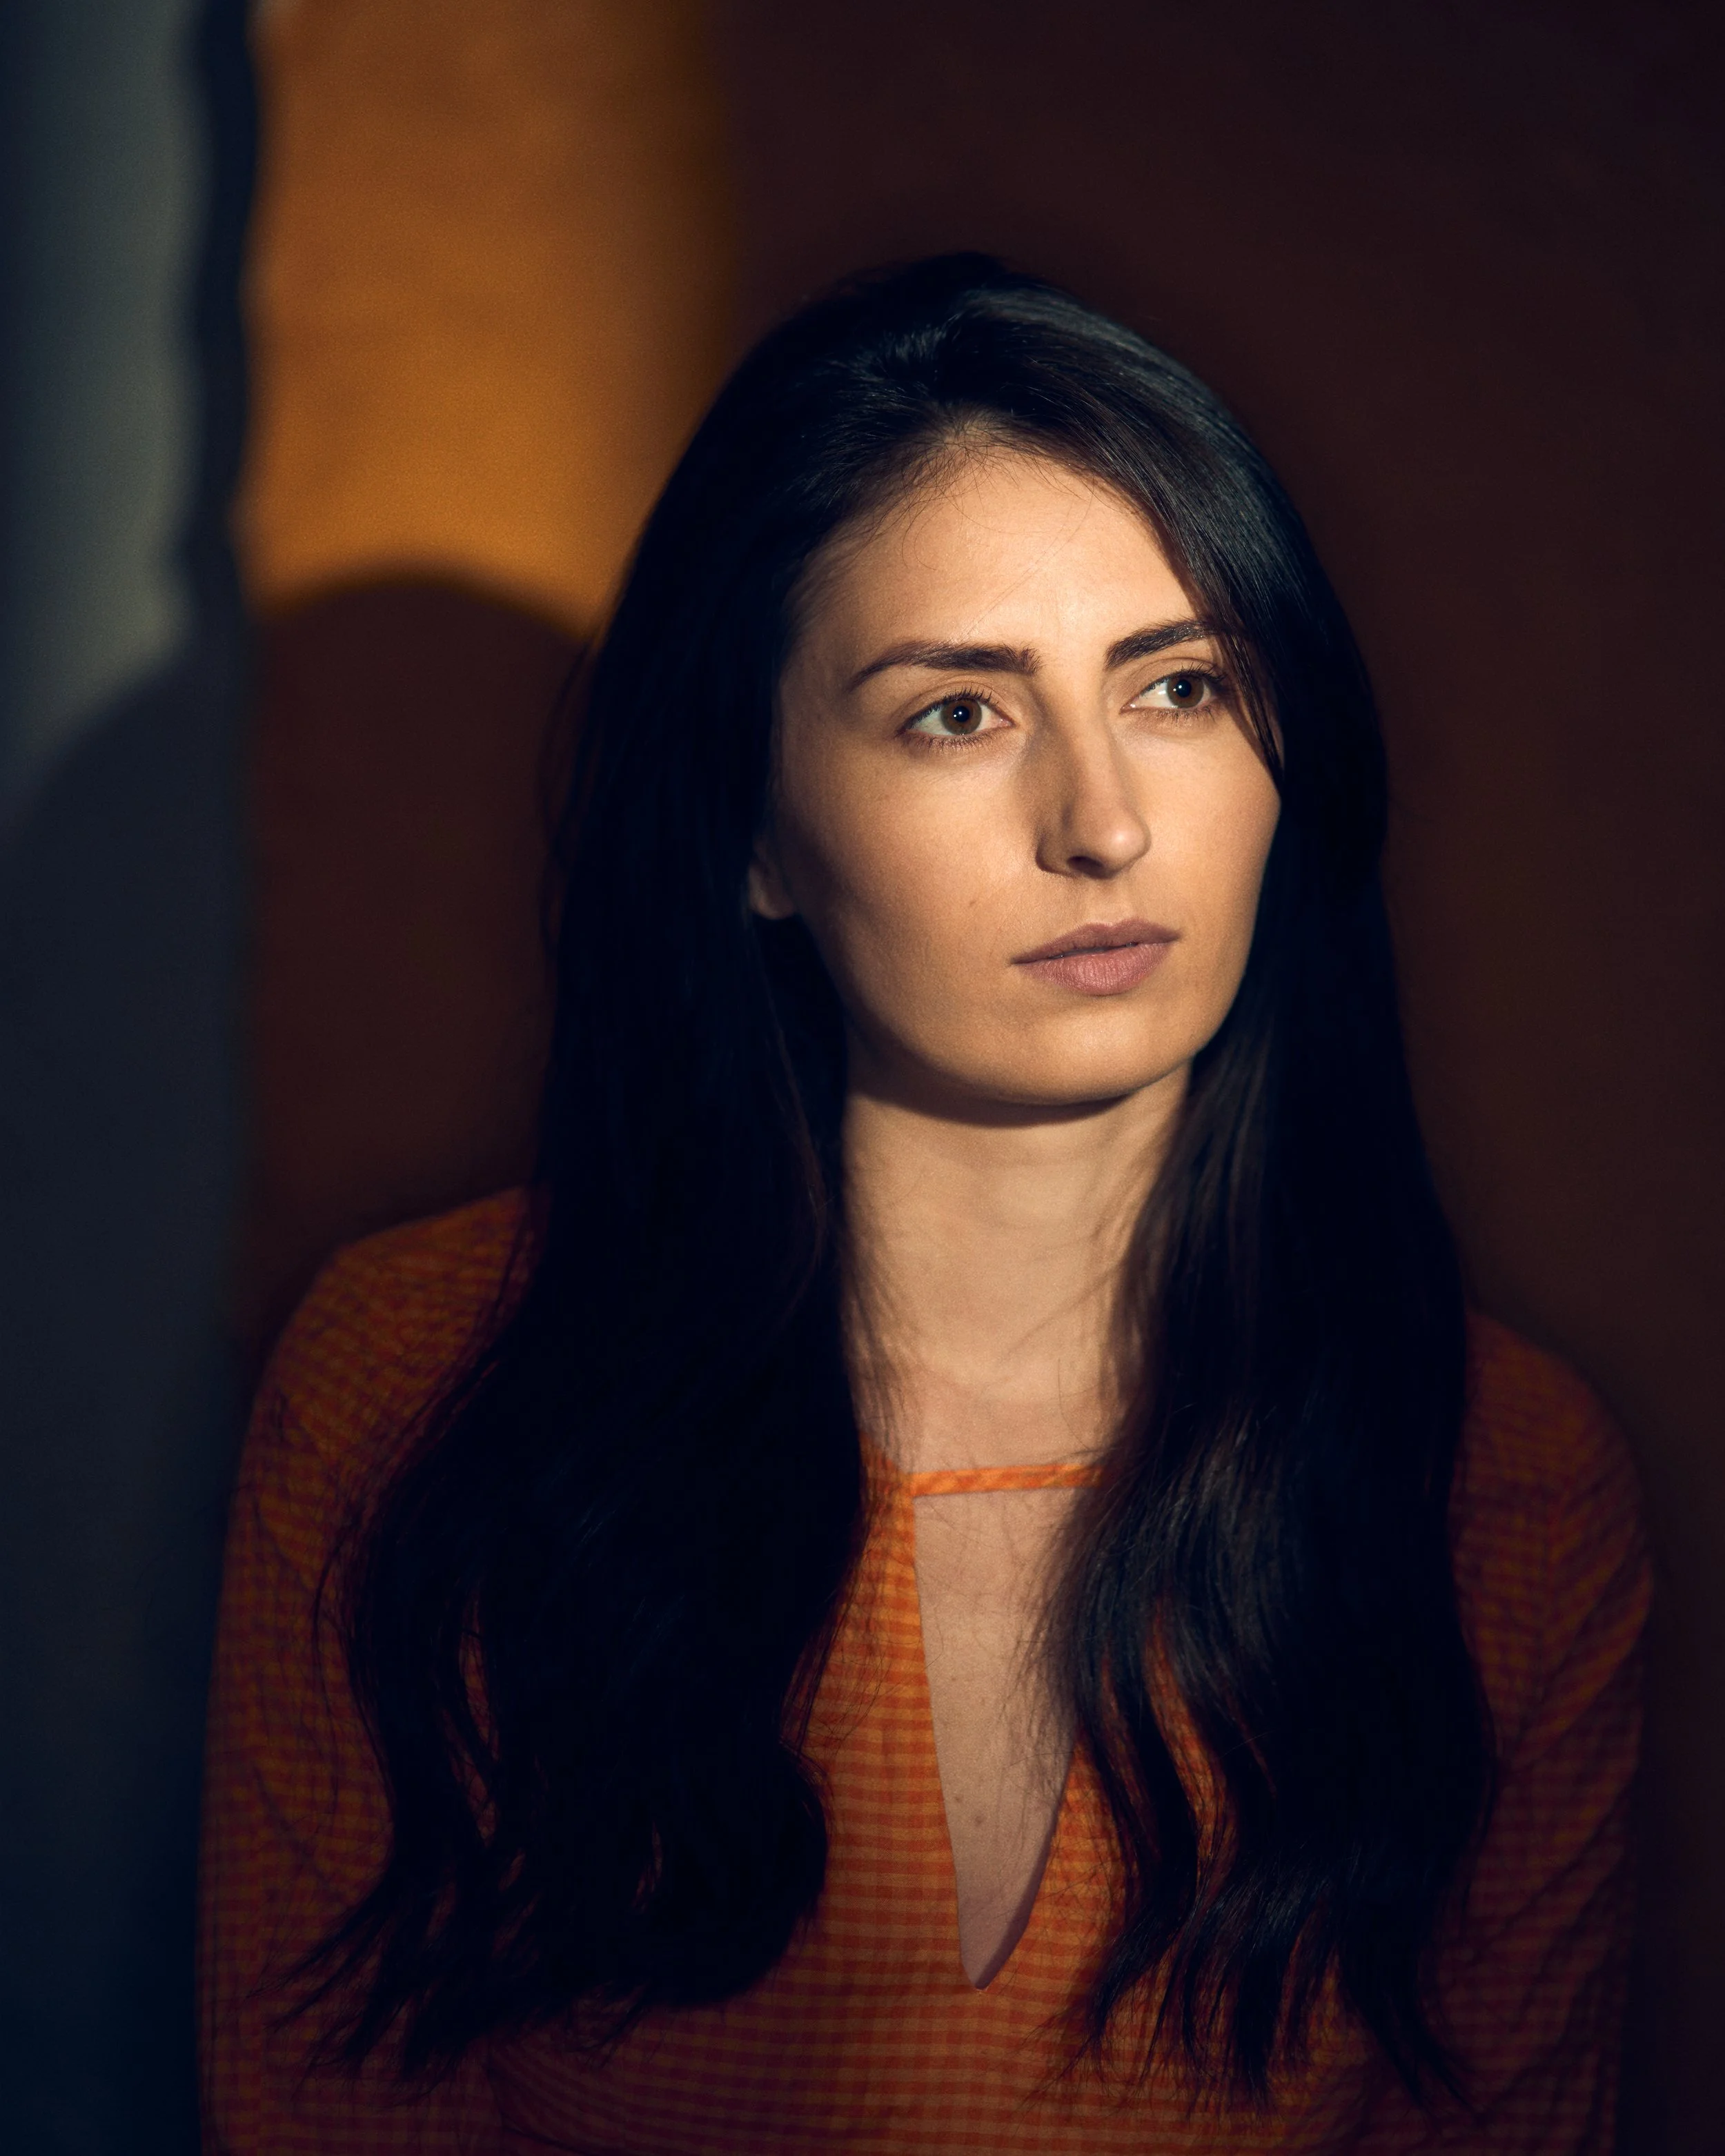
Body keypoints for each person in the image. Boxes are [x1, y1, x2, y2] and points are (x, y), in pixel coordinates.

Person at [198, 256, 1648, 2152]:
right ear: (753, 836)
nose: (1103, 822)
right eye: (956, 715)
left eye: (1183, 685)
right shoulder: (419, 1386)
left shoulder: (1501, 1483)